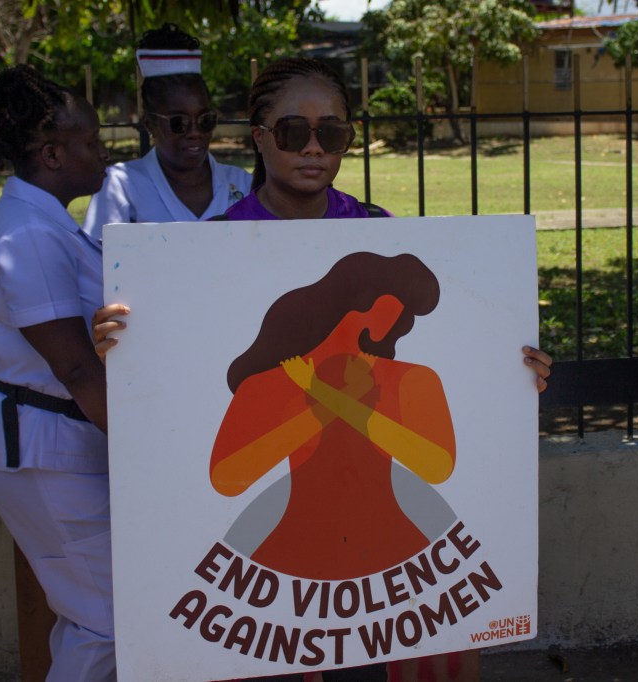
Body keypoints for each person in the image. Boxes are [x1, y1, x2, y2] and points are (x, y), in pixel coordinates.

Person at [91, 57, 551, 682]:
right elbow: (226, 473)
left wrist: (512, 372)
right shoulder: (205, 254)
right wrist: (129, 350)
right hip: (278, 576)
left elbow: (441, 459)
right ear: (258, 137)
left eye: (331, 133)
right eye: (292, 132)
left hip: (405, 573)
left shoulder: (383, 237)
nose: (313, 148)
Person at [0, 64, 129, 681]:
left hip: (61, 442)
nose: (103, 151)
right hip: (46, 452)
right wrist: (153, 451)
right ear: (52, 153)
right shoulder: (29, 235)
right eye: (91, 140)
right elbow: (77, 368)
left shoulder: (47, 224)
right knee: (111, 617)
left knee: (94, 612)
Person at [211, 252, 457, 580]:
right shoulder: (267, 385)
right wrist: (321, 401)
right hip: (291, 555)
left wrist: (323, 394)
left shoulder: (412, 380)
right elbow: (226, 478)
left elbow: (437, 466)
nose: (386, 326)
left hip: (396, 552)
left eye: (395, 315)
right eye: (381, 309)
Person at [81, 23, 251, 233]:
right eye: (179, 123)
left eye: (205, 120)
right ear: (150, 124)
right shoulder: (121, 187)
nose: (195, 132)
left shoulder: (242, 185)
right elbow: (102, 253)